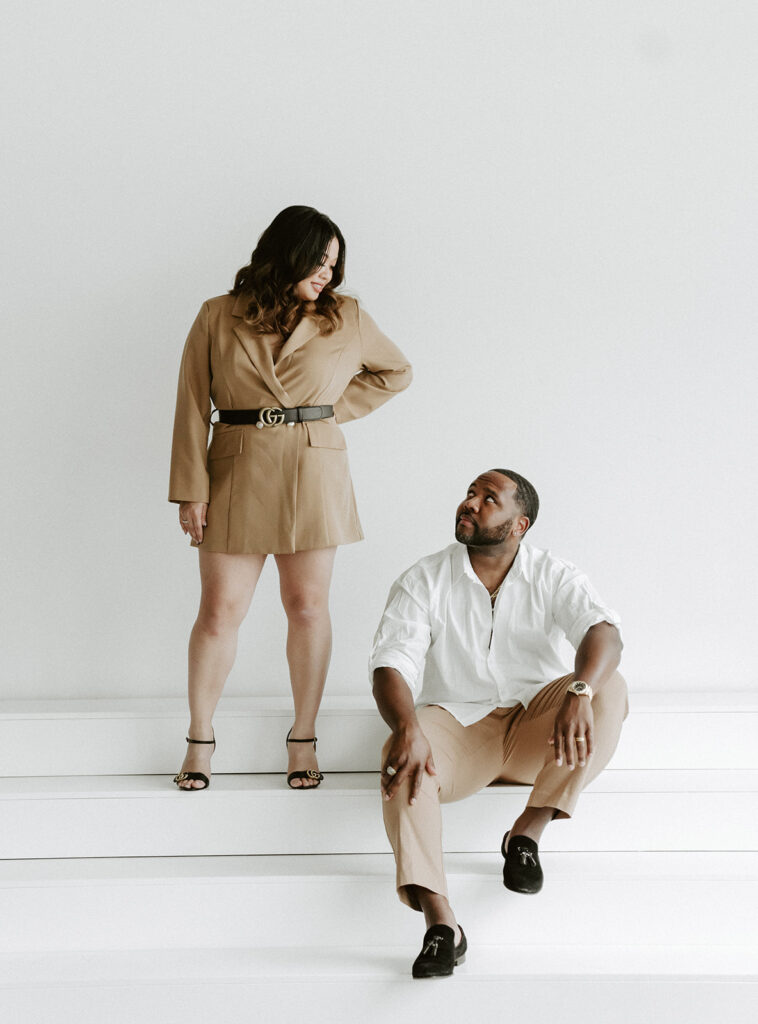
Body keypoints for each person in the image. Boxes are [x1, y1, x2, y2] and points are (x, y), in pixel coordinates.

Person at [169, 205, 412, 791]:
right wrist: (189, 490)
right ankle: (200, 739)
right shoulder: (217, 315)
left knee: (307, 607)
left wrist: (322, 416)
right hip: (235, 469)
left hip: (313, 470)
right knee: (219, 612)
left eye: (335, 263)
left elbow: (395, 372)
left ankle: (302, 736)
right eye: (319, 259)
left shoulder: (345, 317)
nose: (328, 272)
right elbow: (190, 403)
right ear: (286, 251)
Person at [370, 468, 626, 977]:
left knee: (609, 688)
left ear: (519, 524)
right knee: (401, 759)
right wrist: (407, 728)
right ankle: (442, 923)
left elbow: (604, 633)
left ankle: (526, 835)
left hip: (538, 728)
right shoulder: (423, 578)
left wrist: (579, 689)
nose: (470, 503)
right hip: (461, 727)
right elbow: (391, 664)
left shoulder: (553, 573)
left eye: (488, 498)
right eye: (469, 493)